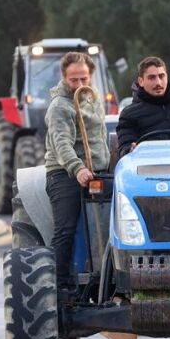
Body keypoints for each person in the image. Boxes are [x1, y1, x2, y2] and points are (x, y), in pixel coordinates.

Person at [44, 51, 110, 289]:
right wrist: (78, 168)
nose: (80, 84)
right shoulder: (60, 106)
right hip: (64, 173)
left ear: (90, 76)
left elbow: (99, 138)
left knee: (108, 224)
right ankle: (60, 287)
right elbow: (61, 143)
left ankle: (106, 279)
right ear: (64, 77)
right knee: (66, 229)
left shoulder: (93, 98)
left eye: (84, 79)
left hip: (97, 172)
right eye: (74, 80)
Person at [116, 57, 170, 154]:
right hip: (148, 164)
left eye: (161, 76)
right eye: (152, 78)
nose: (158, 82)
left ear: (167, 77)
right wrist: (129, 149)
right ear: (141, 81)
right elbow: (126, 145)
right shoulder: (129, 114)